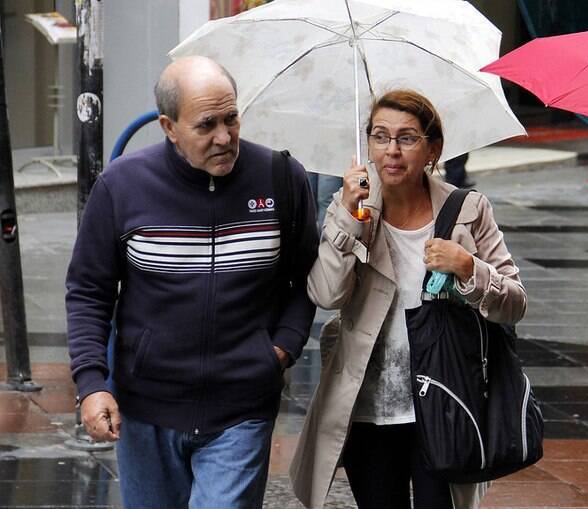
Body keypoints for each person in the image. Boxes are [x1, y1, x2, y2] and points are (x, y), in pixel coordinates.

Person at [66, 56, 319, 508]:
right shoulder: (122, 186)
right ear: (169, 126)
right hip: (147, 410)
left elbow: (307, 277)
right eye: (206, 125)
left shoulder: (280, 177)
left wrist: (281, 348)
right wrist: (92, 383)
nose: (224, 137)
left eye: (231, 118)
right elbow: (88, 291)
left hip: (244, 404)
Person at [289, 89, 526, 509]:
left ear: (433, 148)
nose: (392, 151)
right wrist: (346, 216)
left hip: (445, 402)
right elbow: (325, 294)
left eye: (407, 138)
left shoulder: (468, 210)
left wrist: (470, 268)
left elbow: (515, 302)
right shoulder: (352, 210)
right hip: (368, 406)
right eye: (380, 137)